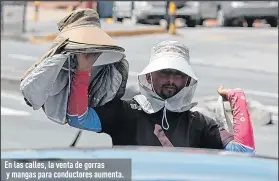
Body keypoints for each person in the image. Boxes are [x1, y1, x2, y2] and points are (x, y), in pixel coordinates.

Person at [66, 40, 255, 152]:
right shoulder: (126, 111)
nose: (171, 80)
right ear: (149, 76)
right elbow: (77, 118)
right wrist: (83, 71)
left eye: (178, 74)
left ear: (188, 80)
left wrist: (236, 98)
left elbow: (243, 151)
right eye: (164, 72)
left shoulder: (198, 122)